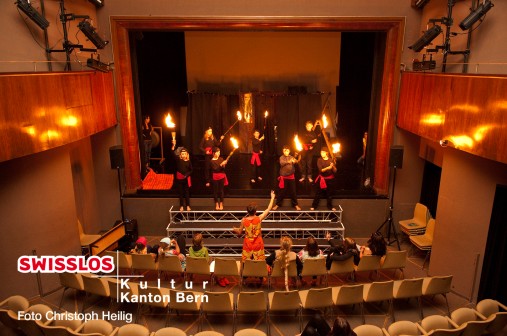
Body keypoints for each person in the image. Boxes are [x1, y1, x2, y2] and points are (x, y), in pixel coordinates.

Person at [233, 190, 276, 262]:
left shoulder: (244, 220)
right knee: (259, 263)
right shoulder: (259, 218)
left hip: (248, 244)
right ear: (255, 211)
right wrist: (272, 198)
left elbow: (239, 232)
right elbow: (268, 208)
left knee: (246, 263)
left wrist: (234, 229)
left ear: (247, 211)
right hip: (258, 243)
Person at [273, 145, 301, 211]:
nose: (286, 152)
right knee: (281, 192)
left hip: (291, 177)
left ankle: (295, 204)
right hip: (284, 177)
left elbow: (296, 162)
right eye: (284, 151)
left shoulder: (291, 157)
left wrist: (297, 158)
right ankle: (277, 204)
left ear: (289, 151)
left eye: (287, 151)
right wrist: (289, 161)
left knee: (293, 192)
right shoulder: (281, 157)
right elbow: (282, 163)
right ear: (283, 151)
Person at [172, 141, 192, 211]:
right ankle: (181, 206)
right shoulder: (178, 160)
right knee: (181, 193)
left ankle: (188, 205)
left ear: (187, 155)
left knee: (187, 193)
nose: (183, 155)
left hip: (185, 179)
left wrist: (187, 174)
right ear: (180, 155)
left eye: (185, 154)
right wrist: (173, 146)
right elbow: (173, 154)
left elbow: (191, 170)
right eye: (182, 154)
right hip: (179, 179)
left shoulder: (188, 161)